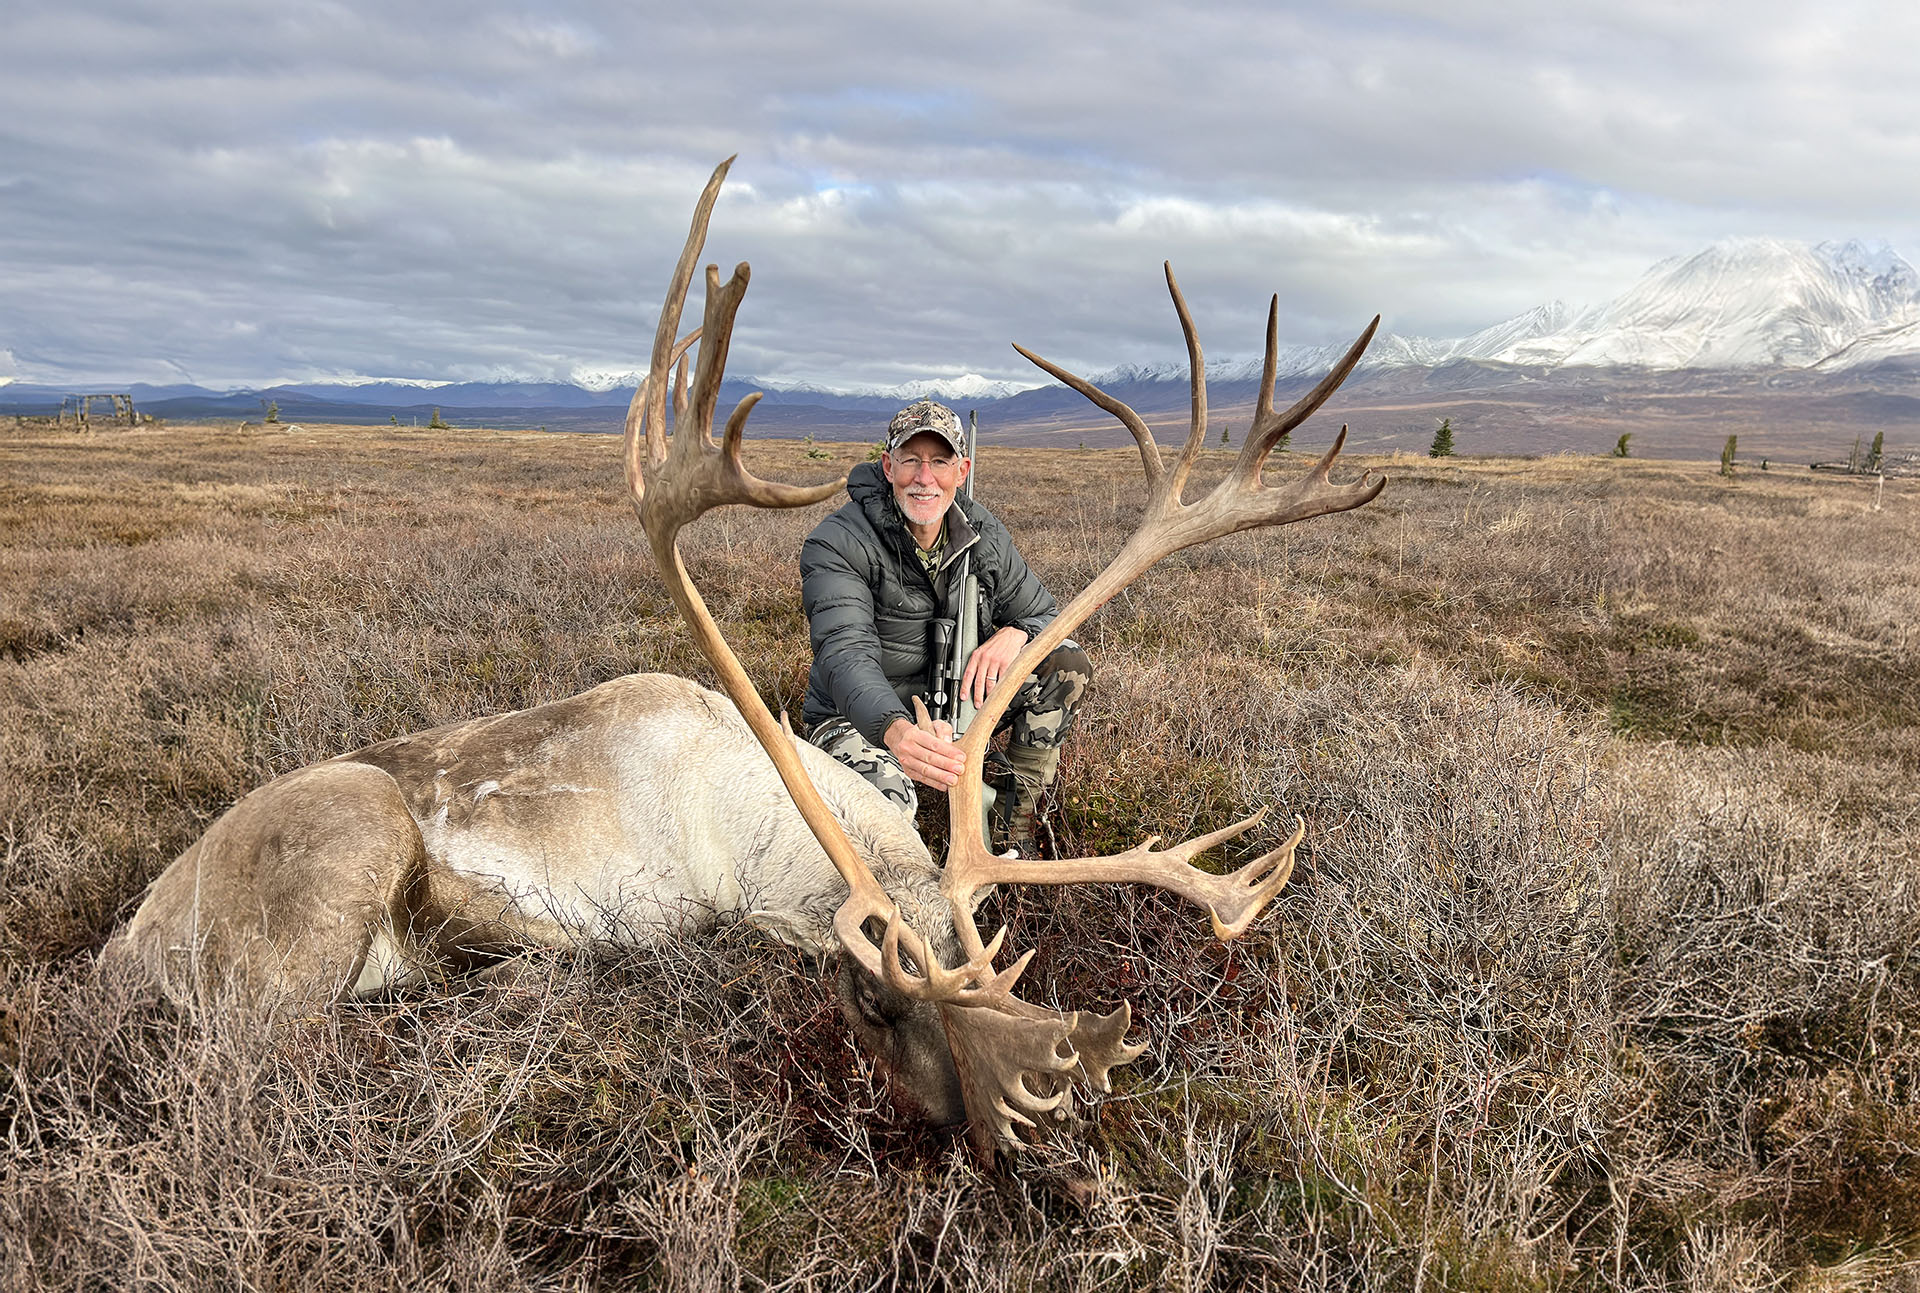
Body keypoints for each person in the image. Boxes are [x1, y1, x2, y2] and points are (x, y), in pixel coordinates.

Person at [799, 400, 1092, 856]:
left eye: (940, 462)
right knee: (888, 807)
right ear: (888, 465)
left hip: (953, 702)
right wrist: (895, 730)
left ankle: (1012, 826)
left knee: (1065, 660)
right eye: (911, 460)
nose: (924, 477)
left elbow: (1045, 614)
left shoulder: (984, 534)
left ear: (962, 469)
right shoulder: (837, 542)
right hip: (856, 717)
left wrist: (1015, 634)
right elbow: (844, 655)